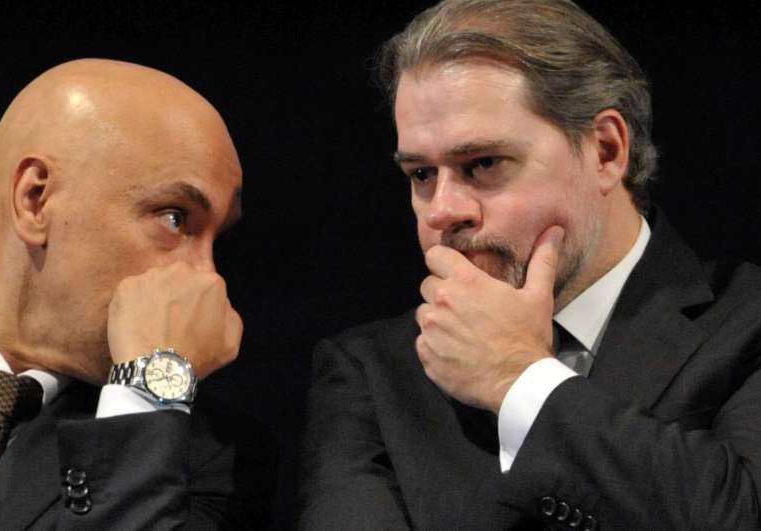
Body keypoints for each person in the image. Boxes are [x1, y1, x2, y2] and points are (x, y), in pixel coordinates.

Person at [298, 1, 761, 529]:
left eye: (482, 164)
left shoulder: (746, 324)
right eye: (422, 174)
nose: (442, 210)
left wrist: (520, 380)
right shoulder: (371, 372)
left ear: (606, 151)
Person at [0, 59, 274, 530]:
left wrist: (145, 392)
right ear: (35, 200)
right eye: (175, 218)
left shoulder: (209, 459)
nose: (206, 280)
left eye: (217, 238)